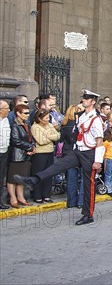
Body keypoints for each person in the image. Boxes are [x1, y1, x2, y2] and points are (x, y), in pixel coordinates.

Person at [14, 89, 106, 226]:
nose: (84, 100)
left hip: (90, 153)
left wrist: (98, 161)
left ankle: (88, 214)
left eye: (87, 98)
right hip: (78, 151)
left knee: (89, 185)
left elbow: (99, 141)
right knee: (58, 165)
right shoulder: (82, 116)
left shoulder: (96, 119)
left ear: (93, 102)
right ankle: (34, 179)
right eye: (84, 97)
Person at [7, 104, 36, 208]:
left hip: (26, 155)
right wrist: (29, 147)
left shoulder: (26, 123)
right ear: (18, 113)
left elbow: (31, 137)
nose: (27, 115)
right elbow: (15, 140)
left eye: (28, 113)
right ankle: (13, 198)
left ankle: (20, 197)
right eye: (25, 113)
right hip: (17, 155)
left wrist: (32, 147)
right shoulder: (14, 124)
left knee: (22, 178)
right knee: (12, 178)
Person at [30, 109, 60, 203]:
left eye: (48, 117)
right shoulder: (35, 127)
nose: (48, 119)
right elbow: (41, 141)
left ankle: (46, 195)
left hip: (50, 152)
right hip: (39, 154)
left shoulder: (50, 125)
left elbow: (57, 136)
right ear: (40, 118)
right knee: (39, 174)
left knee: (48, 174)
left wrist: (47, 136)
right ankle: (37, 195)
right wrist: (50, 136)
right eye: (46, 117)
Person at [60, 105, 84, 208]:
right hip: (79, 152)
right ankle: (81, 201)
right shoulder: (79, 125)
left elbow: (61, 139)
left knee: (71, 178)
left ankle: (71, 201)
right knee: (83, 178)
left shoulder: (64, 124)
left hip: (68, 153)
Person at [0, 100, 12, 209]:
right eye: (6, 108)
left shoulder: (6, 120)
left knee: (1, 177)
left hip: (4, 152)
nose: (9, 110)